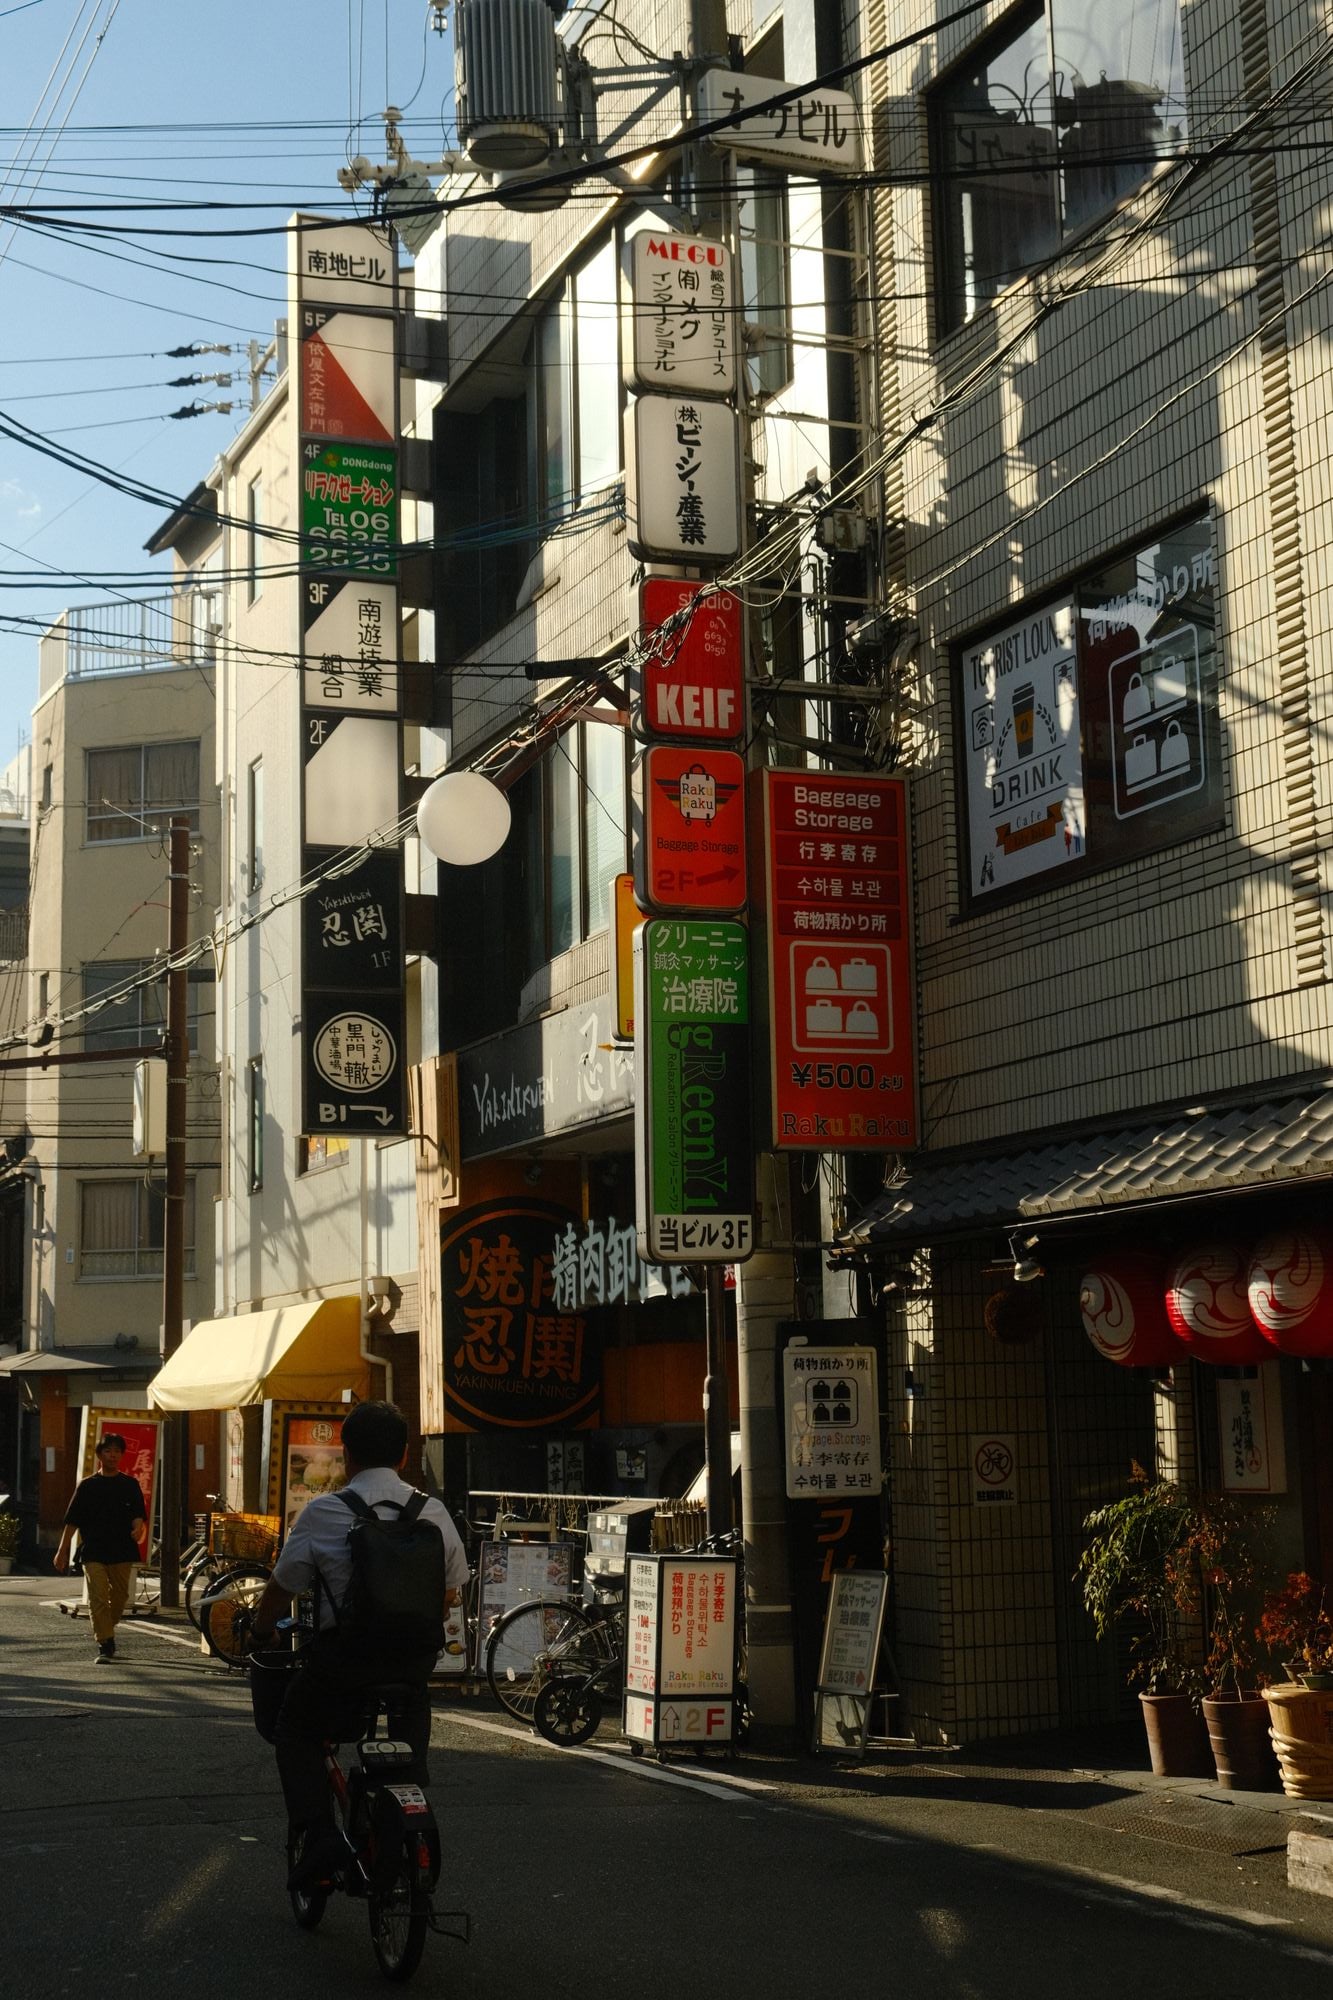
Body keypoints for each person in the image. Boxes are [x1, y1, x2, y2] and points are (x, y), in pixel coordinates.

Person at [249, 1399, 467, 1889]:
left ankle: (323, 1837)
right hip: (412, 1662)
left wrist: (260, 1633)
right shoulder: (431, 1511)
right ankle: (410, 1783)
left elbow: (283, 1587)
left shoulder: (324, 1512)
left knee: (296, 1731)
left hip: (343, 1663)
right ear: (406, 1454)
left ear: (346, 1455)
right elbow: (451, 1589)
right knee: (409, 1719)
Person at [53, 1433, 147, 1663]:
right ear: (99, 1455)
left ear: (122, 1455)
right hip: (93, 1549)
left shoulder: (130, 1484)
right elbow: (72, 1521)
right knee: (98, 1597)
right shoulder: (87, 1486)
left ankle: (107, 1627)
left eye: (116, 1451)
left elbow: (138, 1516)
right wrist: (62, 1550)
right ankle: (105, 1642)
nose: (112, 1455)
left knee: (120, 1596)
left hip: (122, 1549)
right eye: (108, 1451)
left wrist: (138, 1529)